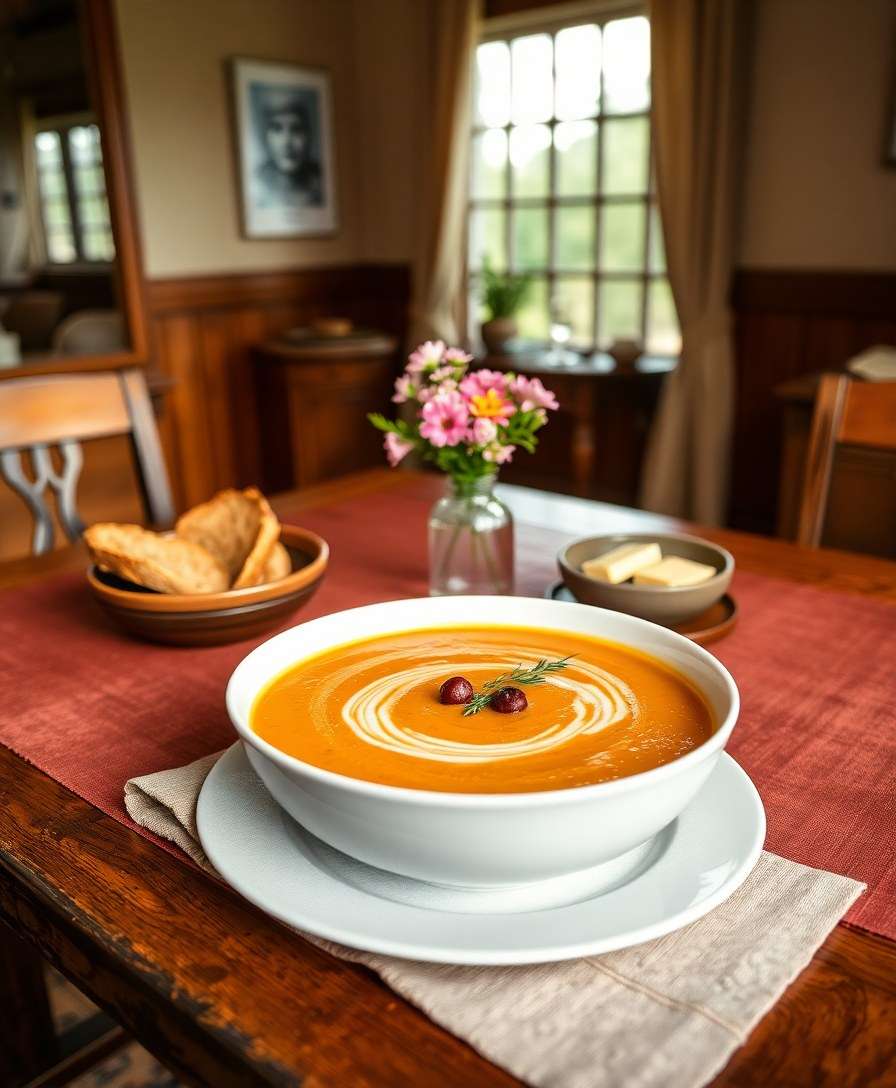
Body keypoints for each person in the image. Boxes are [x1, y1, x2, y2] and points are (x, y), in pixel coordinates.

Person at [251, 87, 322, 208]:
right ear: (265, 136)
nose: (287, 142)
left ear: (309, 134)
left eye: (296, 129)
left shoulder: (320, 183)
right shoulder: (257, 182)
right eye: (277, 129)